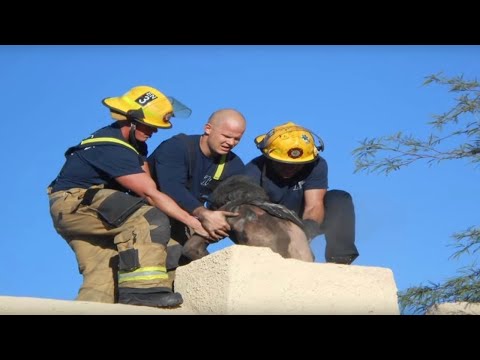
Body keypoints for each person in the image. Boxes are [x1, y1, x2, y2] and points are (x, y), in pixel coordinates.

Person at [47, 85, 209, 308]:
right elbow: (149, 195)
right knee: (148, 219)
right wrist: (193, 222)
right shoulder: (114, 148)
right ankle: (143, 293)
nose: (154, 131)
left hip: (79, 213)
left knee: (105, 277)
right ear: (130, 120)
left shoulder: (133, 146)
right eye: (149, 125)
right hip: (76, 203)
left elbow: (150, 186)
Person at [244, 121, 359, 264]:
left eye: (296, 165)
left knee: (339, 199)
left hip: (304, 219)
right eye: (282, 164)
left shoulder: (317, 165)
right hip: (270, 223)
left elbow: (314, 205)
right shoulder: (251, 172)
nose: (290, 169)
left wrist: (306, 232)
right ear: (269, 158)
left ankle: (340, 260)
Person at [147, 109, 247, 269]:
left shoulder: (233, 165)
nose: (231, 143)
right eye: (227, 136)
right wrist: (204, 214)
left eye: (237, 139)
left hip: (189, 221)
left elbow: (238, 198)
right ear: (208, 128)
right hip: (152, 213)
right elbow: (172, 187)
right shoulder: (177, 147)